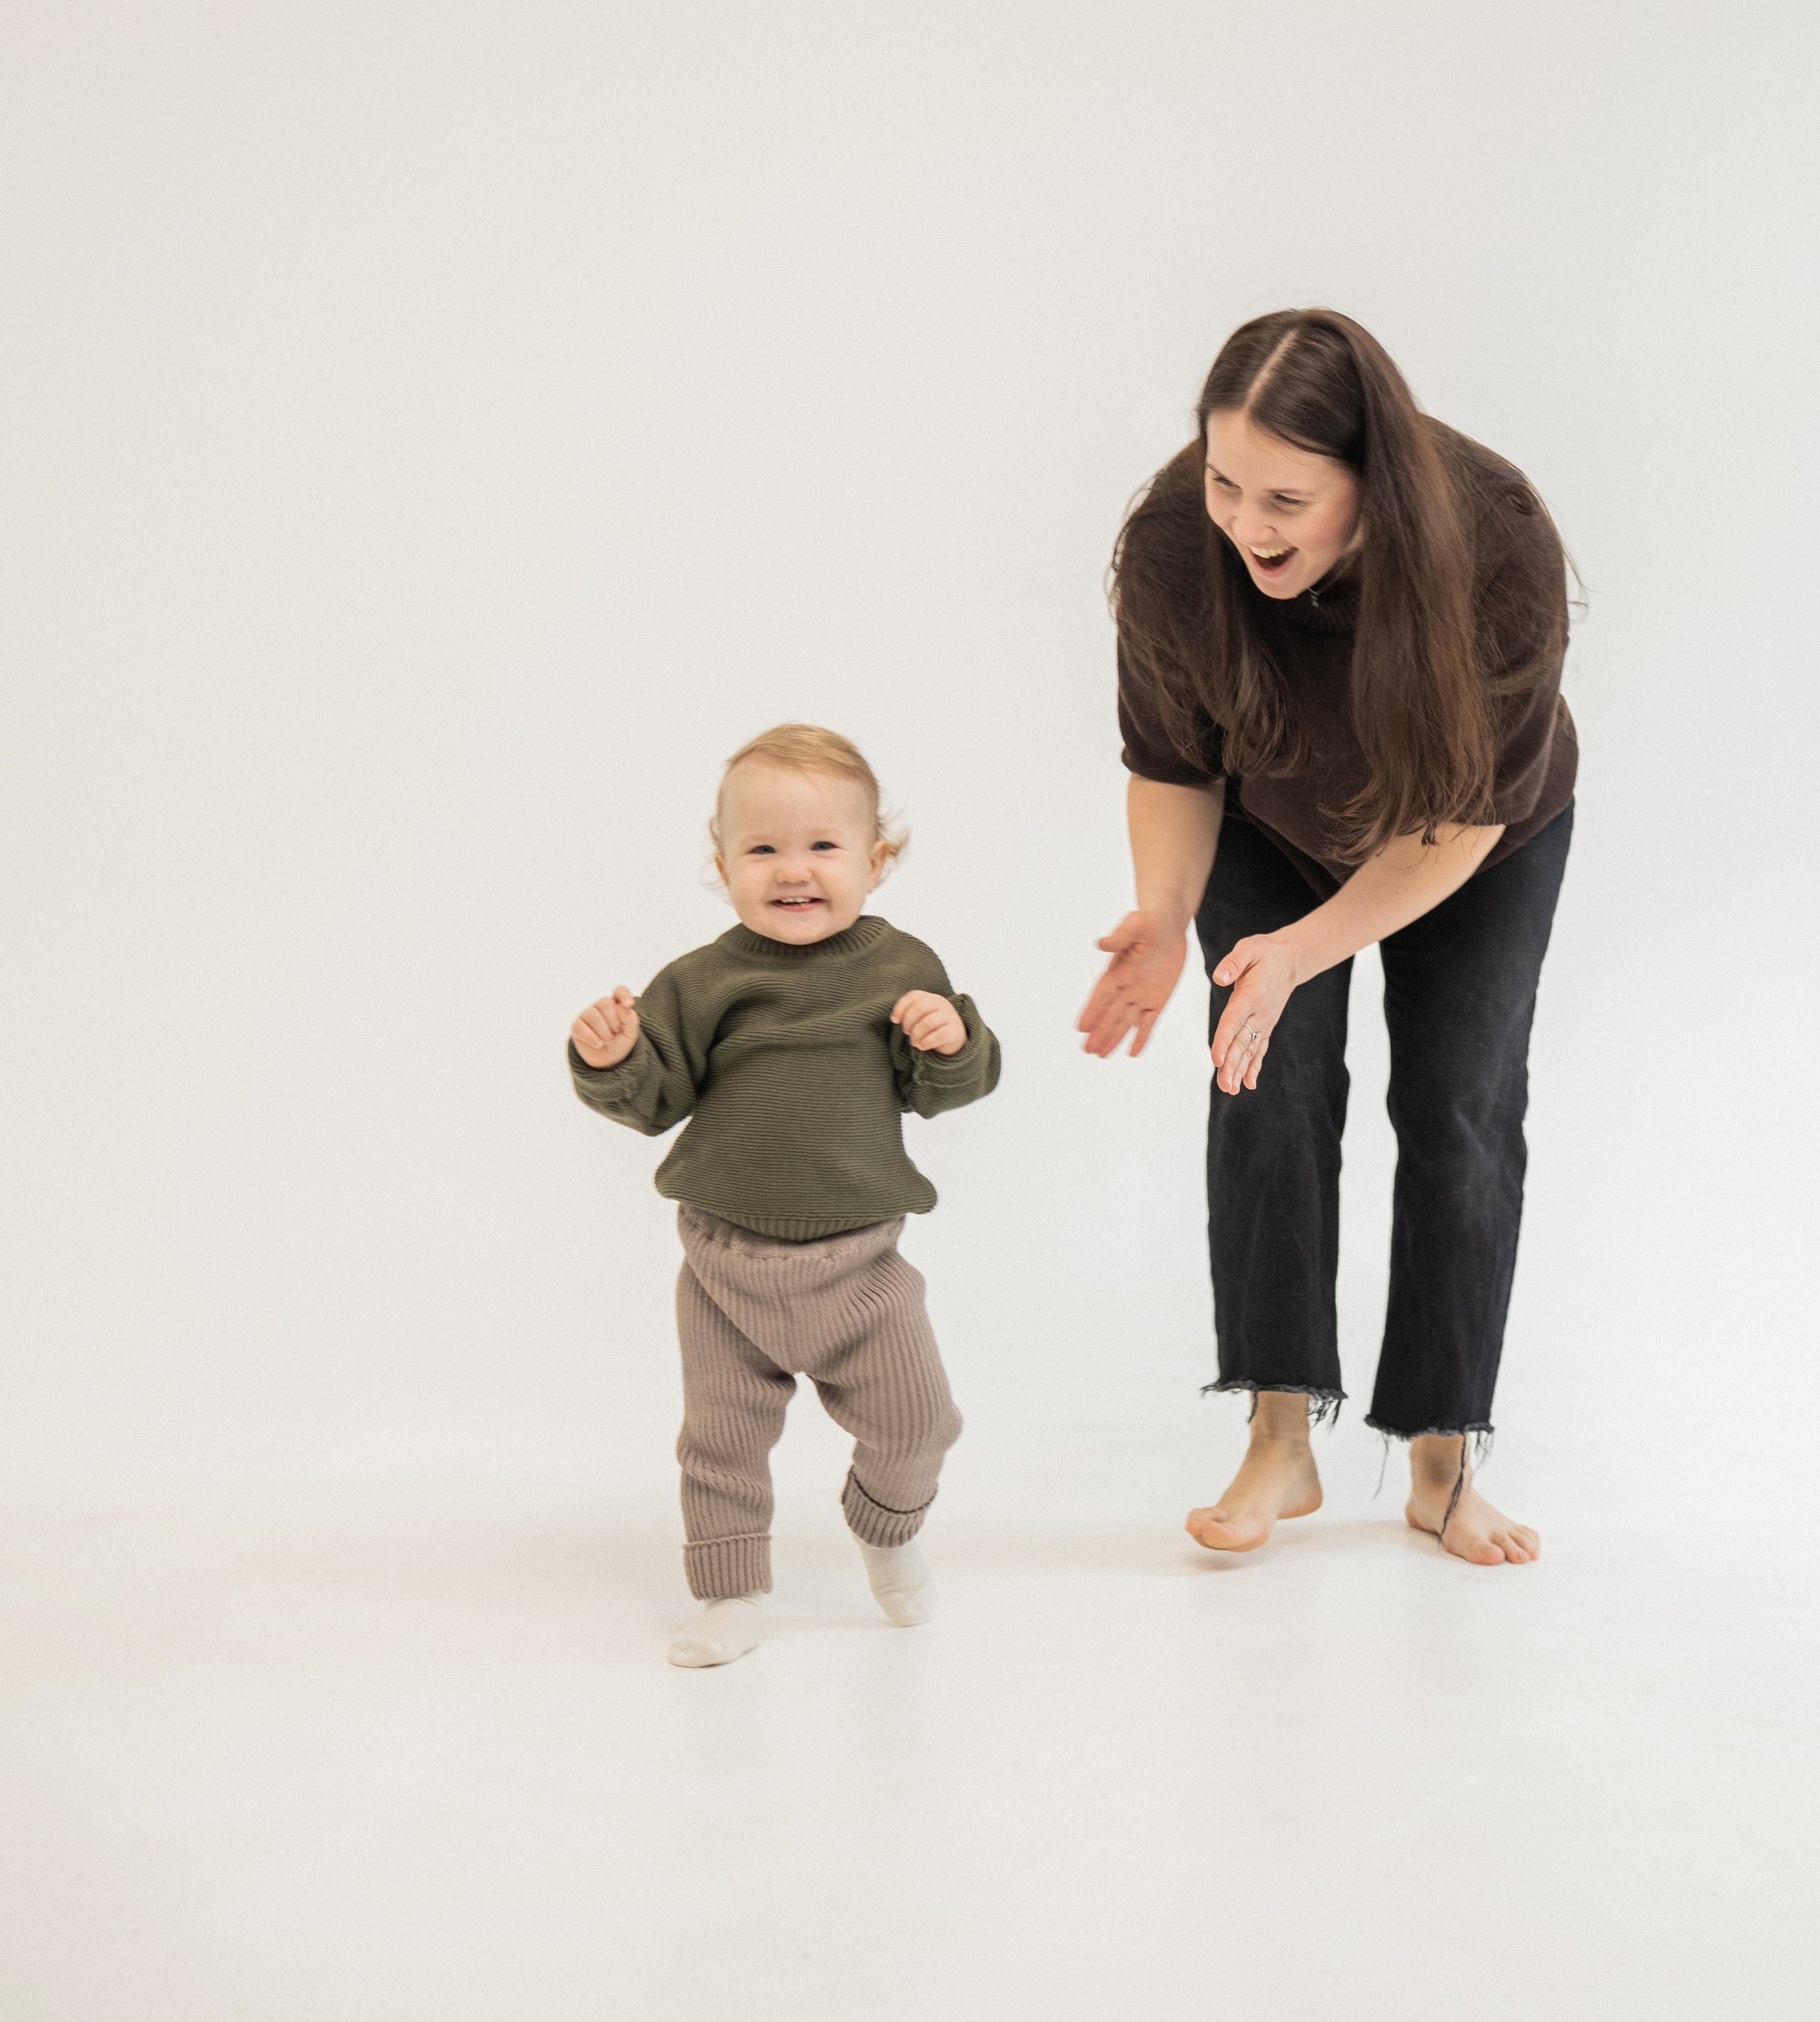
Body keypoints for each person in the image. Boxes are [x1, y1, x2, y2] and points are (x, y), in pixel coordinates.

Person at [1079, 310, 1575, 1567]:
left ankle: (1442, 1461)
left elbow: (1463, 817)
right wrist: (1166, 908)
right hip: (1273, 816)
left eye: (1289, 496)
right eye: (1225, 479)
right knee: (1268, 1085)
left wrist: (1312, 945)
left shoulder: (1496, 543)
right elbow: (1174, 762)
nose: (1249, 523)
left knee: (1461, 1109)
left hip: (1470, 839)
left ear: (1376, 482)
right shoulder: (1172, 551)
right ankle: (1280, 1436)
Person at [568, 723, 1000, 1665]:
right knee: (720, 1444)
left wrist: (949, 1040)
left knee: (921, 1418)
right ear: (721, 864)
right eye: (762, 848)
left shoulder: (899, 968)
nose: (792, 869)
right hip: (725, 1266)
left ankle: (886, 1529)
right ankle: (730, 1594)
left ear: (876, 861)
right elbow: (653, 1102)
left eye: (822, 846)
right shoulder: (700, 981)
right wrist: (612, 1060)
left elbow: (945, 1092)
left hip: (862, 1266)